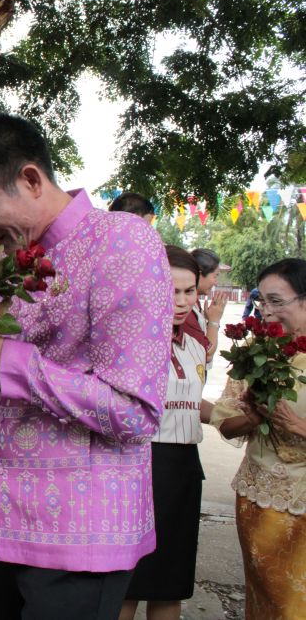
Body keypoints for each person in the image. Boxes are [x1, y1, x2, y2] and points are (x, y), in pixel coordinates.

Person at [0, 112, 173, 620]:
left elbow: (135, 411)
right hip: (13, 521)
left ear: (31, 179)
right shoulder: (22, 263)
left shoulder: (121, 241)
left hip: (83, 531)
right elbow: (7, 391)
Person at [120, 246, 215, 620]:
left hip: (183, 469)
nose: (181, 301)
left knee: (171, 584)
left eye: (189, 291)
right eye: (171, 290)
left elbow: (192, 403)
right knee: (128, 585)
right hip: (140, 466)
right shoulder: (128, 342)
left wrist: (236, 414)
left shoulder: (194, 344)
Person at [211, 258, 306, 619]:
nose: (266, 310)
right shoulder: (256, 351)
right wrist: (253, 417)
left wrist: (296, 426)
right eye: (261, 301)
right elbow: (226, 421)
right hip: (259, 498)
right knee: (267, 601)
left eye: (276, 301)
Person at [183, 247, 230, 362]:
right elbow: (206, 354)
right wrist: (214, 320)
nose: (216, 282)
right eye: (215, 276)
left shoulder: (195, 302)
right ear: (198, 274)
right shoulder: (185, 307)